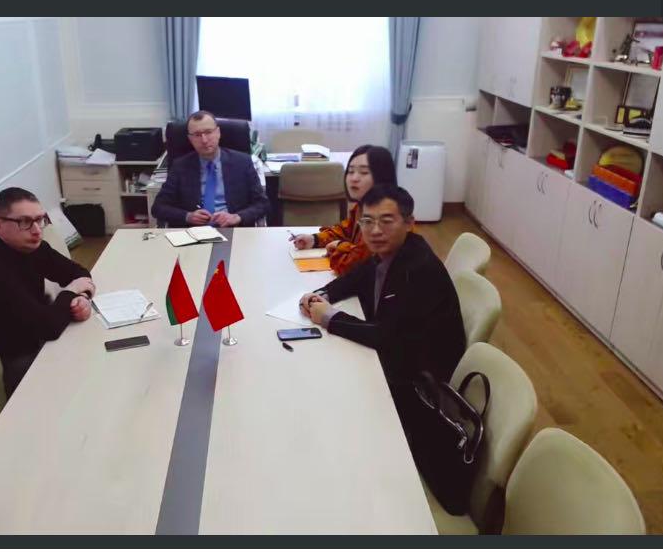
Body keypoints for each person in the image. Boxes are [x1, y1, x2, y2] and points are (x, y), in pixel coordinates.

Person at [299, 185, 466, 433]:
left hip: (417, 383)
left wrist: (330, 317)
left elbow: (385, 336)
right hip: (396, 356)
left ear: (409, 223)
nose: (375, 231)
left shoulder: (418, 269)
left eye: (386, 221)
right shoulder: (392, 250)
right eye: (367, 222)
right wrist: (323, 293)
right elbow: (359, 276)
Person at [0, 187, 94, 396]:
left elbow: (79, 274)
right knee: (83, 377)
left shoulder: (31, 246)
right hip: (2, 363)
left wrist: (82, 298)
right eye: (25, 222)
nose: (36, 230)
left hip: (30, 331)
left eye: (40, 220)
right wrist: (72, 292)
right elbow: (49, 327)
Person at [289, 144, 398, 275]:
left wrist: (339, 245)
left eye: (364, 172)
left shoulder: (384, 219)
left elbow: (352, 266)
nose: (354, 178)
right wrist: (315, 239)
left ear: (382, 177)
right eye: (350, 171)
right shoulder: (362, 206)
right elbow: (345, 230)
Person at [151, 111, 269, 228]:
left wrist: (238, 217)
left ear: (218, 133)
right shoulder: (180, 166)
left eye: (208, 132)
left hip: (233, 228)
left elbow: (262, 204)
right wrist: (187, 216)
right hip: (193, 231)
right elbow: (158, 207)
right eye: (197, 135)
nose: (204, 140)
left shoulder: (242, 162)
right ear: (190, 139)